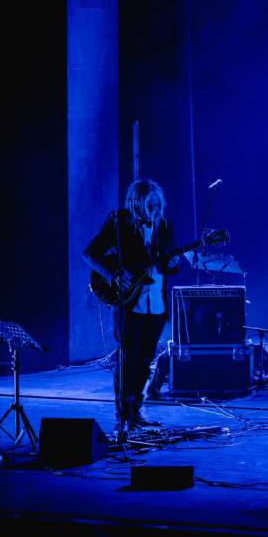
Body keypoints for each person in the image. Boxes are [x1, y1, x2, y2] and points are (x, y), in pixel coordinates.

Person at [84, 178, 182, 431]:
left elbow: (168, 262)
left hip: (156, 305)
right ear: (137, 203)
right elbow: (91, 253)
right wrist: (114, 273)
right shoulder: (119, 222)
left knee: (145, 361)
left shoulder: (164, 225)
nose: (155, 210)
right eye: (150, 205)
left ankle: (136, 411)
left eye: (158, 205)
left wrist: (174, 265)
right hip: (129, 303)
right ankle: (123, 417)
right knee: (128, 360)